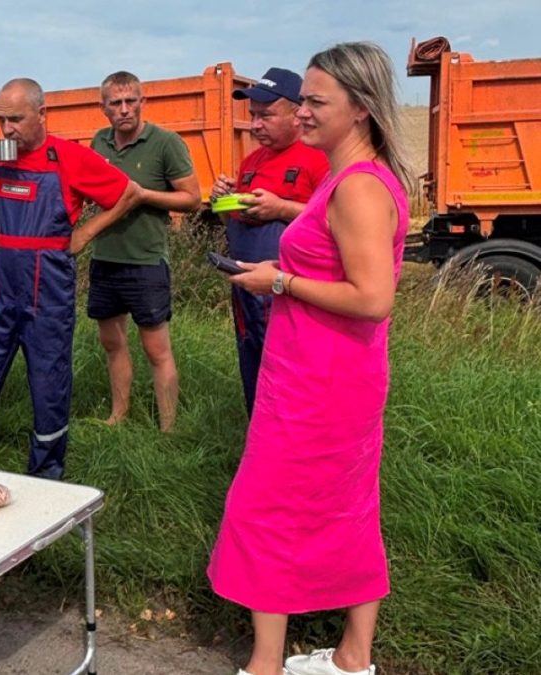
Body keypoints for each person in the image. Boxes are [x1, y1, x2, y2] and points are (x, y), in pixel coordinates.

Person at [206, 43, 413, 675]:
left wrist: (280, 282)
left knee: (264, 508)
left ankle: (265, 665)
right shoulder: (355, 178)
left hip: (320, 383)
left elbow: (374, 298)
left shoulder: (355, 187)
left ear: (361, 109)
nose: (302, 114)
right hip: (326, 374)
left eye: (317, 103)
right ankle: (353, 657)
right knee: (344, 505)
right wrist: (280, 269)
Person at [0, 78, 141, 479]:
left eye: (16, 120)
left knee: (49, 371)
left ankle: (45, 470)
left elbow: (127, 193)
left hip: (48, 283)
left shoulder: (69, 157)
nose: (7, 130)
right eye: (1, 120)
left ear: (42, 114)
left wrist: (84, 234)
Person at [210, 68, 329, 416]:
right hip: (247, 287)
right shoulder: (251, 162)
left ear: (297, 113)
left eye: (266, 116)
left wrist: (281, 208)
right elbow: (230, 220)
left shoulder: (319, 158)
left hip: (289, 288)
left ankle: (293, 448)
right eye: (253, 117)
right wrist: (224, 199)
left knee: (288, 372)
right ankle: (258, 439)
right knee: (253, 364)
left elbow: (335, 221)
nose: (255, 125)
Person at [88, 71, 201, 432]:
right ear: (103, 108)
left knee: (156, 349)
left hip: (146, 262)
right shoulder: (99, 143)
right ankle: (119, 414)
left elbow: (192, 199)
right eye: (115, 103)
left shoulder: (166, 143)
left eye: (130, 101)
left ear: (142, 102)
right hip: (105, 259)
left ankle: (168, 428)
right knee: (112, 342)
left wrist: (143, 195)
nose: (124, 110)